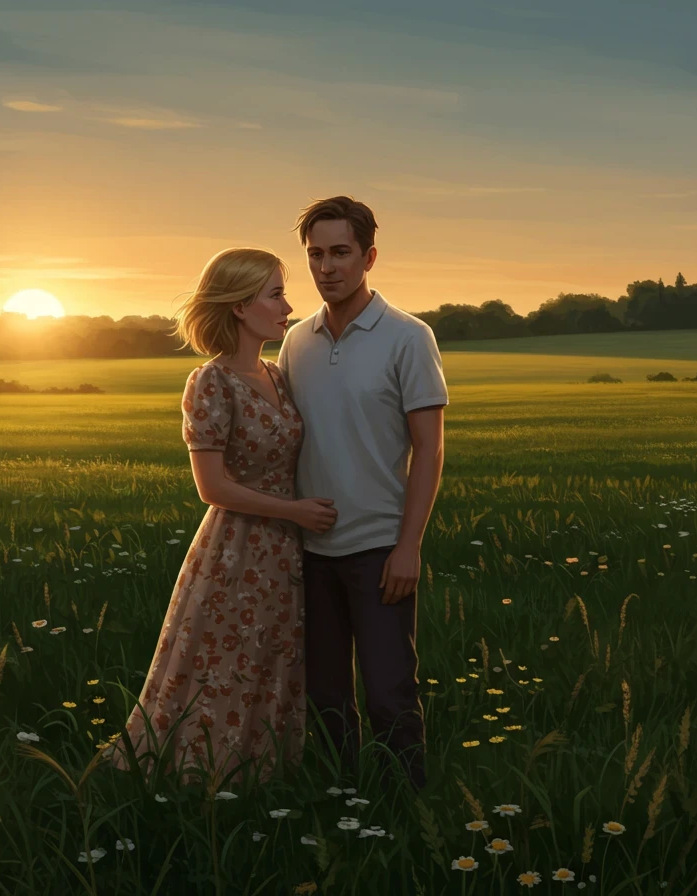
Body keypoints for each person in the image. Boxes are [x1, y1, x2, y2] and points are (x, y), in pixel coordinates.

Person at [105, 247, 339, 787]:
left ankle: (270, 775)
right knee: (226, 661)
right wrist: (295, 511)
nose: (288, 306)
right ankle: (203, 778)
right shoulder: (209, 382)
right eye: (275, 294)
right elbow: (212, 487)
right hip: (238, 548)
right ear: (238, 306)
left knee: (275, 659)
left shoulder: (278, 376)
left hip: (286, 549)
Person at [276, 196, 448, 791]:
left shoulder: (408, 337)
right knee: (324, 698)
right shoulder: (296, 341)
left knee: (389, 692)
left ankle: (407, 811)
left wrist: (409, 547)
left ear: (369, 256)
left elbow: (429, 450)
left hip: (380, 551)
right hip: (310, 554)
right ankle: (342, 804)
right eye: (316, 255)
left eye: (341, 253)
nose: (327, 267)